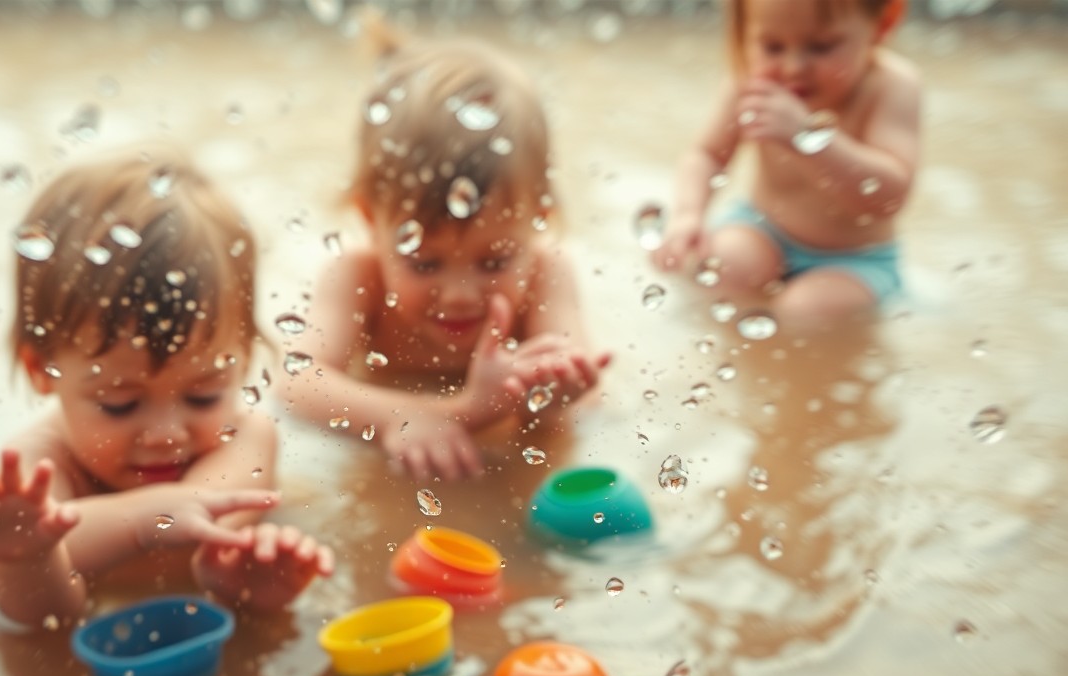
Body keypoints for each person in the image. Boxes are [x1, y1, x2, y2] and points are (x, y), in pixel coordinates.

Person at [0, 145, 333, 628]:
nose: (164, 434)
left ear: (243, 359)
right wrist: (24, 557)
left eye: (203, 395)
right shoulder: (36, 473)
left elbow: (202, 523)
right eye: (120, 404)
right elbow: (40, 620)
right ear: (42, 369)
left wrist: (242, 587)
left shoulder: (248, 438)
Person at [283, 16, 611, 483]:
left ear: (539, 216)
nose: (459, 293)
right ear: (371, 221)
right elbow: (297, 384)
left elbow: (587, 409)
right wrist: (402, 415)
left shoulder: (547, 272)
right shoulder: (357, 277)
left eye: (495, 261)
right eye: (424, 262)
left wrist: (551, 402)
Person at [653, 0, 919, 327]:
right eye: (772, 46)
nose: (793, 67)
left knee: (805, 313)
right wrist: (688, 214)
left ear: (883, 23)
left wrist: (807, 138)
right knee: (720, 270)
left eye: (821, 47)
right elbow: (707, 155)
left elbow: (890, 196)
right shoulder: (750, 82)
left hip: (855, 260)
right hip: (763, 229)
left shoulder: (890, 86)